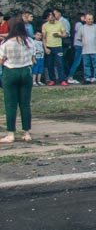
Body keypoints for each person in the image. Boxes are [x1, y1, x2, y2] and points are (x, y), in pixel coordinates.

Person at [1, 15, 36, 143]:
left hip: (10, 72)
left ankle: (11, 134)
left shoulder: (7, 43)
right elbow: (33, 60)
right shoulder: (30, 41)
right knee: (25, 104)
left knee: (11, 104)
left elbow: (1, 60)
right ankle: (26, 132)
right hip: (26, 72)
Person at [41, 10, 67, 86]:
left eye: (52, 15)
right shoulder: (45, 25)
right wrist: (45, 48)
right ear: (47, 17)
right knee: (50, 64)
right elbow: (44, 37)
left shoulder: (59, 24)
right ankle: (52, 80)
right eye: (49, 16)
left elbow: (65, 34)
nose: (51, 17)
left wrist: (60, 35)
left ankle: (62, 80)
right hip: (49, 46)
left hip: (58, 46)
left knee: (60, 63)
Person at [78, 13, 96, 83]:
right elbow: (79, 38)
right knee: (86, 65)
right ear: (85, 19)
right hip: (85, 50)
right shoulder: (81, 28)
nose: (91, 20)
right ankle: (87, 79)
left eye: (92, 19)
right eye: (89, 19)